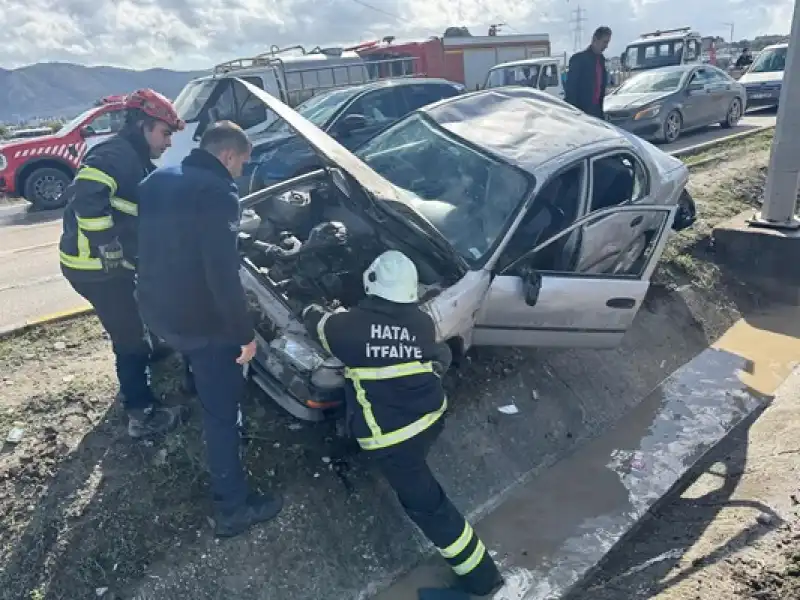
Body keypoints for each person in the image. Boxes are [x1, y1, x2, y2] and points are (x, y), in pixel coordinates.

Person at [302, 250, 503, 597]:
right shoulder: (422, 323)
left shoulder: (345, 327)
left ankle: (483, 581)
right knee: (421, 484)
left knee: (429, 506)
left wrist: (313, 305)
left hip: (393, 439)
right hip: (431, 416)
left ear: (371, 279)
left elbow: (313, 320)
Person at [136, 120, 284, 538]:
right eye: (242, 163)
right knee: (222, 415)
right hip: (199, 321)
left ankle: (192, 380)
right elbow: (221, 275)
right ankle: (232, 507)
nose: (241, 172)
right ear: (228, 155)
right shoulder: (219, 193)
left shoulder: (158, 180)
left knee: (196, 360)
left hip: (156, 308)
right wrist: (244, 335)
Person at [58, 88, 187, 439]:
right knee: (127, 335)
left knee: (140, 309)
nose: (169, 143)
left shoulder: (135, 157)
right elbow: (87, 197)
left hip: (108, 266)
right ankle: (140, 412)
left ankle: (151, 353)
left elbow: (132, 211)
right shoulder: (116, 156)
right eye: (165, 133)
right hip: (96, 269)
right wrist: (109, 246)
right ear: (144, 125)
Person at [565, 26, 612, 119]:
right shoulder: (578, 59)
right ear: (595, 40)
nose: (606, 46)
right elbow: (571, 90)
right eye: (605, 42)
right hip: (581, 114)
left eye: (608, 43)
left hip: (597, 113)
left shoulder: (601, 61)